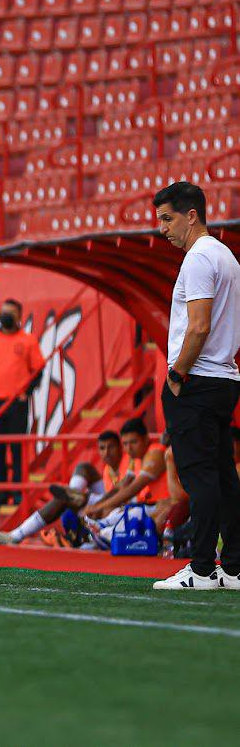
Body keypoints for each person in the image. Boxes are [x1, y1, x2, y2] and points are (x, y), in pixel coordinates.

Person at [151, 182, 240, 591]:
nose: (163, 229)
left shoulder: (199, 259)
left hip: (198, 380)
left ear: (192, 215)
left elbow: (199, 327)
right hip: (224, 377)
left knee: (200, 478)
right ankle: (234, 568)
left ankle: (202, 568)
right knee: (223, 478)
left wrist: (176, 376)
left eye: (168, 218)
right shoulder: (227, 257)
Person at [0, 430, 124, 547]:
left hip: (122, 512)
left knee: (64, 503)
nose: (106, 452)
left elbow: (124, 495)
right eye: (102, 448)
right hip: (103, 510)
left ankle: (17, 535)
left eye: (111, 447)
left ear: (120, 447)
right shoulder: (107, 470)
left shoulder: (128, 466)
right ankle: (73, 494)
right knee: (84, 468)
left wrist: (97, 506)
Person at [0, 298, 46, 496]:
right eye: (3, 312)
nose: (5, 316)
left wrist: (26, 393)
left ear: (19, 316)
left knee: (18, 449)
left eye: (10, 313)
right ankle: (1, 495)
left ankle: (19, 493)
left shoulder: (28, 340)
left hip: (16, 404)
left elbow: (38, 370)